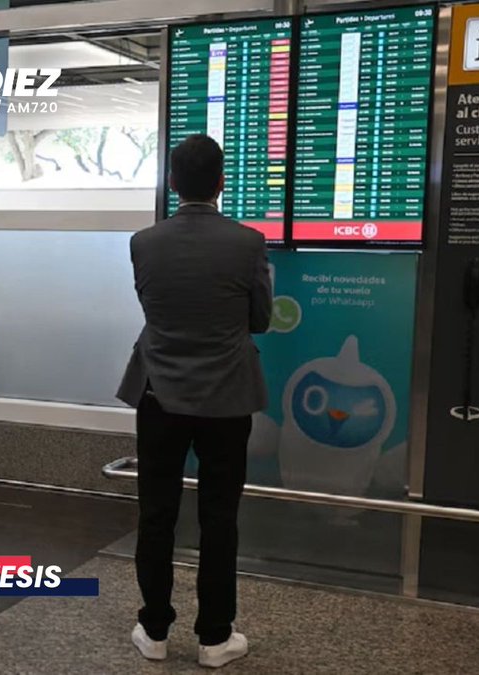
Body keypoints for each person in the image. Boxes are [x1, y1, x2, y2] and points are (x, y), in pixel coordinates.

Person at [117, 134, 272, 669]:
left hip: (159, 393)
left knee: (156, 513)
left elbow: (155, 309)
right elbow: (261, 319)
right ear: (222, 183)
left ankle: (154, 629)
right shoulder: (248, 243)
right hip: (226, 399)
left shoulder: (143, 243)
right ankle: (214, 638)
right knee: (219, 517)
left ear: (173, 183)